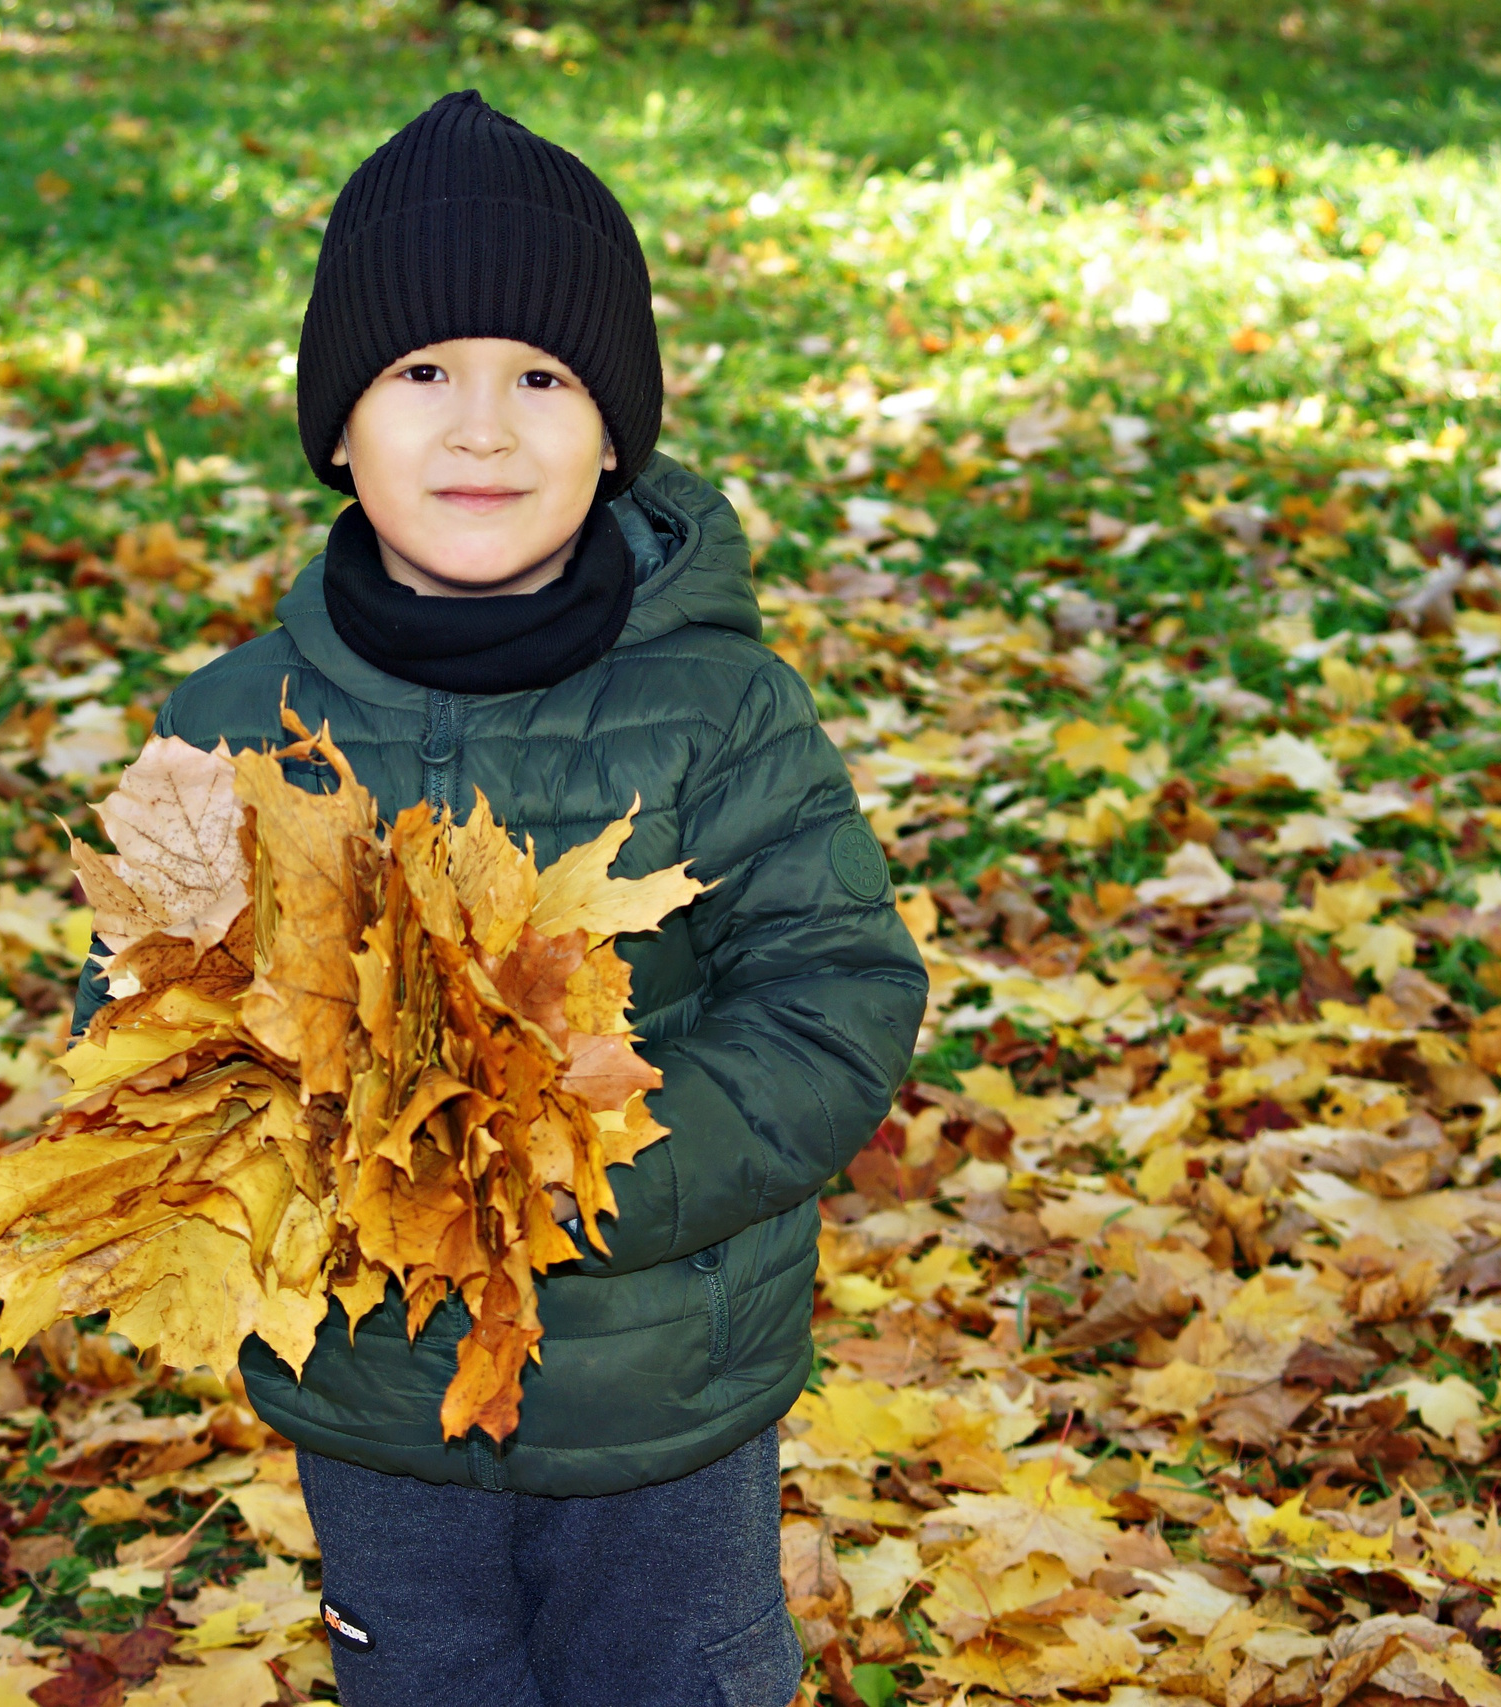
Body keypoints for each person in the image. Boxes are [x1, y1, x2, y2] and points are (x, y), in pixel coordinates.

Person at [68, 90, 927, 1707]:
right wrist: (299, 1139)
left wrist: (581, 1168)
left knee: (679, 1677)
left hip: (658, 1385)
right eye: (419, 375)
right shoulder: (229, 724)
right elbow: (141, 1010)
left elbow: (837, 990)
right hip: (373, 1384)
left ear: (616, 433)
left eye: (541, 379)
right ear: (336, 427)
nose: (482, 428)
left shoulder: (722, 712)